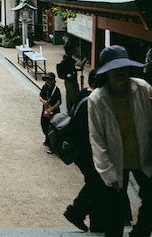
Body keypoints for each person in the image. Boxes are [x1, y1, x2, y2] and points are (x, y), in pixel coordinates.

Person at [88, 45, 152, 237]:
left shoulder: (141, 88)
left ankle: (138, 234)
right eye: (115, 68)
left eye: (123, 67)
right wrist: (107, 173)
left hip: (143, 157)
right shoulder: (97, 100)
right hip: (114, 161)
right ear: (106, 72)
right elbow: (97, 139)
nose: (120, 72)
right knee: (115, 214)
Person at [64, 69, 108, 233]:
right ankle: (78, 213)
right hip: (88, 152)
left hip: (82, 152)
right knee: (97, 184)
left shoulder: (82, 95)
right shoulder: (92, 101)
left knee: (95, 184)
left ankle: (80, 213)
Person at [39, 72, 61, 153]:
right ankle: (47, 139)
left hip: (53, 112)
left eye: (48, 80)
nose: (47, 82)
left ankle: (53, 146)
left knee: (52, 128)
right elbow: (40, 96)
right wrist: (43, 101)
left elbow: (59, 102)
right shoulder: (45, 87)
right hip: (45, 110)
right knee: (44, 124)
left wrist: (51, 109)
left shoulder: (56, 90)